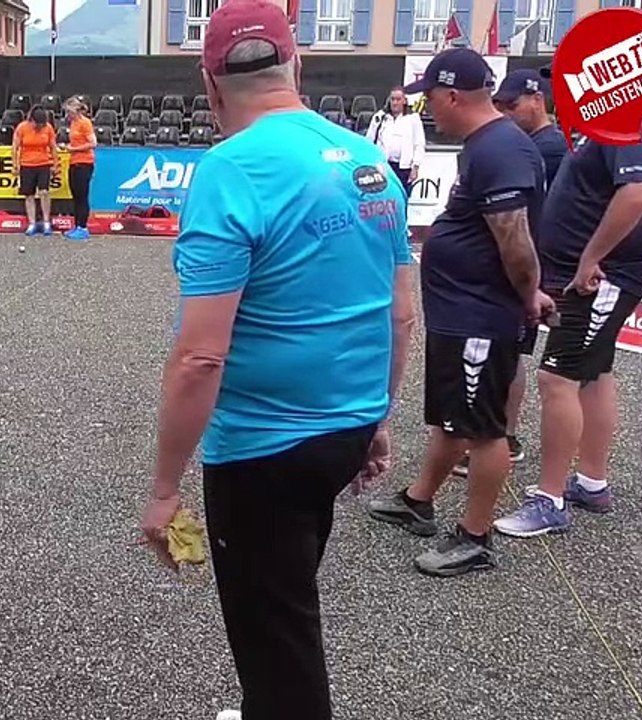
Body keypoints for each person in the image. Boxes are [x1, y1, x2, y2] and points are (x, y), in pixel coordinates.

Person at [138, 2, 414, 717]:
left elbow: (200, 357)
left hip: (264, 451)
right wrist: (378, 419)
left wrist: (164, 489)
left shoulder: (231, 169)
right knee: (287, 601)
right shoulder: (369, 159)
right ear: (298, 65)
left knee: (278, 643)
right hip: (345, 432)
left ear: (211, 85)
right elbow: (401, 313)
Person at [367, 48, 549, 577]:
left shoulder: (500, 150)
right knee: (454, 414)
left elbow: (515, 239)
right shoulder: (485, 146)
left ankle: (476, 536)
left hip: (482, 315)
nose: (428, 108)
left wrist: (530, 294)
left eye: (430, 97)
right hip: (461, 310)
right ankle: (419, 500)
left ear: (451, 96)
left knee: (485, 427)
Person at [493, 111, 642, 538]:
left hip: (603, 276)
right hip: (591, 272)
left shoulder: (628, 122)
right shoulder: (608, 122)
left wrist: (591, 258)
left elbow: (637, 192)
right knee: (596, 372)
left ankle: (549, 500)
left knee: (557, 378)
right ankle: (591, 482)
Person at [452, 67, 568, 477]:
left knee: (511, 354)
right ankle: (497, 432)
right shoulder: (532, 144)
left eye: (511, 104)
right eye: (499, 104)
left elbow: (522, 220)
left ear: (537, 100)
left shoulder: (545, 148)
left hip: (527, 266)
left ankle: (503, 434)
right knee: (510, 354)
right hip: (525, 265)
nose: (504, 111)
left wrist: (530, 283)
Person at [365, 86, 426, 195]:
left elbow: (419, 144)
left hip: (404, 167)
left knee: (402, 196)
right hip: (383, 166)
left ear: (404, 101)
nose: (395, 103)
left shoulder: (413, 118)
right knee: (383, 197)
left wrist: (415, 166)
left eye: (398, 99)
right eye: (392, 99)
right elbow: (369, 141)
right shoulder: (380, 117)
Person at [11, 105, 58, 236]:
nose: (39, 126)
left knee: (44, 192)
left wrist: (55, 164)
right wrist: (15, 165)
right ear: (31, 120)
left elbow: (53, 147)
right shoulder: (22, 128)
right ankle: (32, 223)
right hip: (26, 165)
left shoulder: (48, 128)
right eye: (38, 124)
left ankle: (46, 222)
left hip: (43, 164)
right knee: (29, 194)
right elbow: (15, 147)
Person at [63, 97, 96, 241]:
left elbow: (93, 143)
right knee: (75, 196)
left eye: (69, 112)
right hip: (74, 162)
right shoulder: (73, 123)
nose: (67, 115)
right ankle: (77, 225)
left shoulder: (85, 123)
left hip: (84, 162)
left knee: (82, 196)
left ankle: (83, 227)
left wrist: (74, 149)